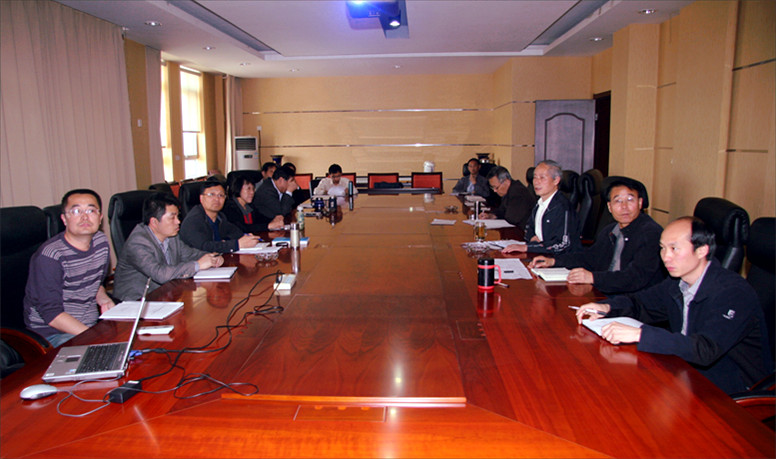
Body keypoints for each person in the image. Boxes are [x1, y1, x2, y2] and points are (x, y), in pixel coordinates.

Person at [576, 217, 773, 395]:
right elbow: (641, 303)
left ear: (702, 250)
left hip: (731, 388)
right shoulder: (678, 282)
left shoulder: (732, 292)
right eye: (662, 248)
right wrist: (607, 307)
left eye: (674, 248)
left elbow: (705, 349)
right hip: (687, 372)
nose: (665, 256)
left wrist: (641, 334)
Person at [527, 177, 664, 294]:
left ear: (640, 203)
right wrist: (553, 261)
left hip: (634, 302)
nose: (624, 206)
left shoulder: (651, 233)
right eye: (618, 201)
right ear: (609, 207)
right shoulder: (611, 230)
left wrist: (593, 277)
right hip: (606, 292)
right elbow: (589, 257)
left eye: (630, 200)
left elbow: (635, 278)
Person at [23, 189, 114, 347]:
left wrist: (104, 298)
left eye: (91, 211)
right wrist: (95, 337)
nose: (85, 217)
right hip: (54, 334)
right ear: (64, 219)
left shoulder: (101, 242)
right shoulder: (50, 256)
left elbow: (95, 284)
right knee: (105, 356)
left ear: (100, 218)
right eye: (76, 211)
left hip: (89, 325)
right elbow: (52, 315)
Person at [114, 193, 224, 301]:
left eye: (178, 216)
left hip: (164, 296)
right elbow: (160, 274)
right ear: (154, 222)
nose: (178, 221)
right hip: (136, 303)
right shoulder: (138, 243)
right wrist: (198, 265)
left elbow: (190, 254)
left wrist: (213, 257)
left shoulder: (171, 237)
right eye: (172, 218)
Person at [502, 160, 579, 254]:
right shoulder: (540, 203)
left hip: (559, 258)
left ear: (556, 180)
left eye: (542, 178)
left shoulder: (562, 207)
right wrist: (532, 239)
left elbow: (563, 244)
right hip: (540, 253)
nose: (536, 182)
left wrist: (529, 247)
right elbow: (528, 228)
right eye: (535, 177)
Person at [180, 178, 260, 253]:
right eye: (211, 194)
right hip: (197, 261)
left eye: (221, 195)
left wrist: (246, 237)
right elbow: (203, 246)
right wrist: (236, 244)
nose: (216, 199)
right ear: (201, 198)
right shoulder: (193, 220)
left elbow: (235, 232)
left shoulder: (220, 217)